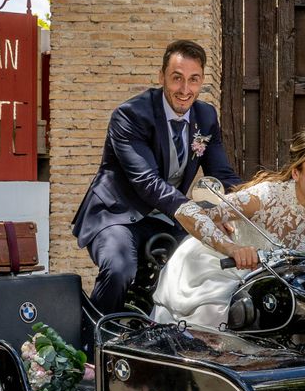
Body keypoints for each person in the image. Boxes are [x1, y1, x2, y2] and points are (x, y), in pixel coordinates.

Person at [72, 40, 242, 314]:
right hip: (116, 214)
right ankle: (92, 342)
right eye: (177, 78)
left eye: (193, 80)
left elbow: (221, 174)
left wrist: (255, 199)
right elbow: (147, 182)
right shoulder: (130, 115)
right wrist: (196, 212)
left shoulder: (206, 116)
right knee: (119, 269)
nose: (185, 89)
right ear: (161, 76)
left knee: (207, 260)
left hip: (164, 217)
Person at [151, 129, 305, 327]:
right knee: (217, 321)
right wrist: (232, 248)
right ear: (297, 173)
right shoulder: (266, 197)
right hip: (219, 269)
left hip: (271, 284)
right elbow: (189, 211)